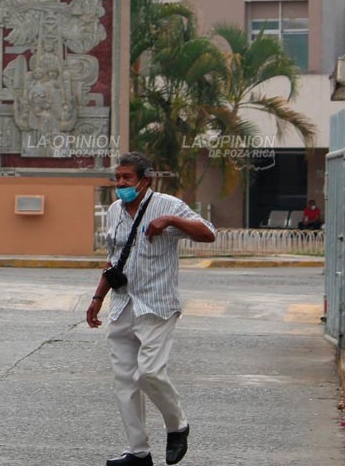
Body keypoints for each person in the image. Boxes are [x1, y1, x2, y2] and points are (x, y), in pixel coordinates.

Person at [86, 152, 216, 466]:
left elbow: (208, 234)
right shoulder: (116, 210)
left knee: (149, 372)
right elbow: (114, 259)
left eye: (127, 178)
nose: (120, 184)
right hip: (122, 303)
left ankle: (177, 425)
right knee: (125, 381)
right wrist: (97, 298)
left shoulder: (167, 205)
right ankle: (138, 452)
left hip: (156, 305)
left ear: (146, 180)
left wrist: (172, 221)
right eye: (117, 178)